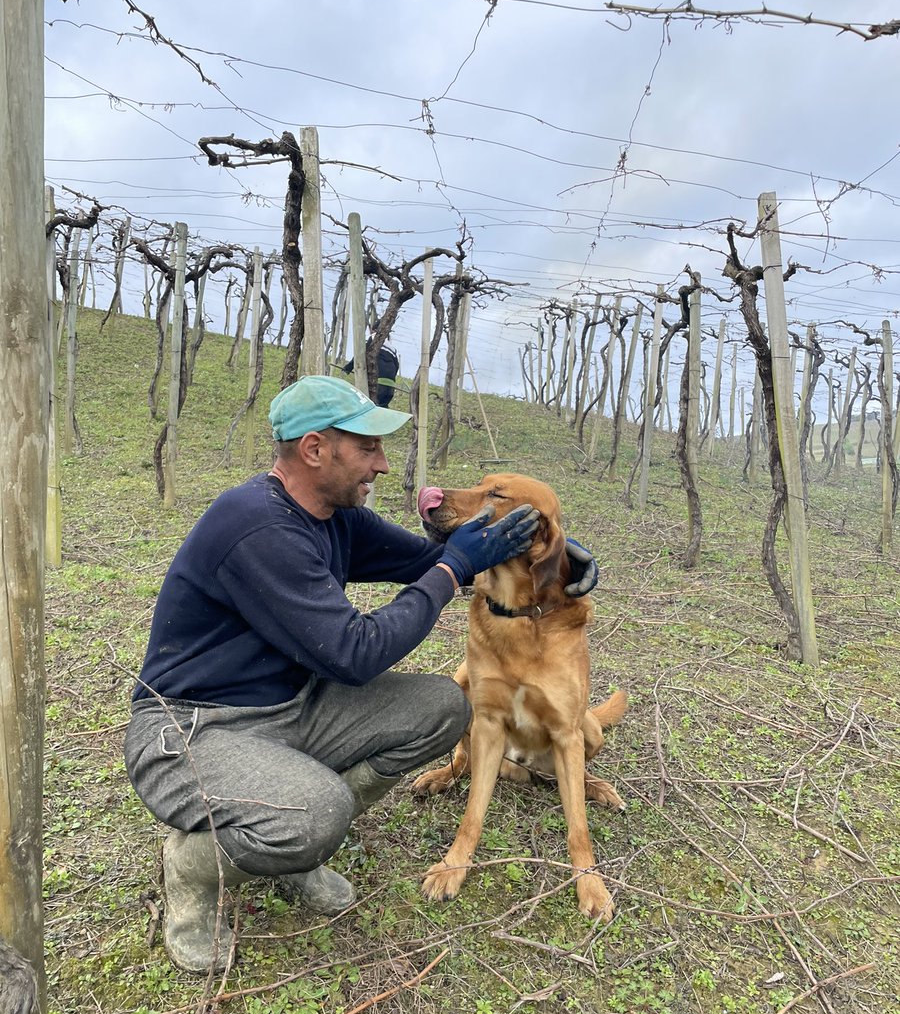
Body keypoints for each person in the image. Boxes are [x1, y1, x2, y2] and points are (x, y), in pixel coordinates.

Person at [124, 375, 599, 974]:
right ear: (316, 449)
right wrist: (456, 569)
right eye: (367, 448)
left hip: (290, 708)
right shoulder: (258, 527)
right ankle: (193, 867)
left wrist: (553, 552)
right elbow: (356, 652)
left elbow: (427, 558)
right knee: (318, 814)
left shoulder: (332, 515)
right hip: (194, 730)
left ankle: (290, 843)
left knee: (440, 707)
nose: (381, 463)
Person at [342, 342, 400, 406]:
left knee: (370, 406)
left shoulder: (373, 340)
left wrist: (347, 369)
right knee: (382, 408)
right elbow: (397, 366)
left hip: (379, 382)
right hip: (391, 386)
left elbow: (360, 355)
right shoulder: (392, 349)